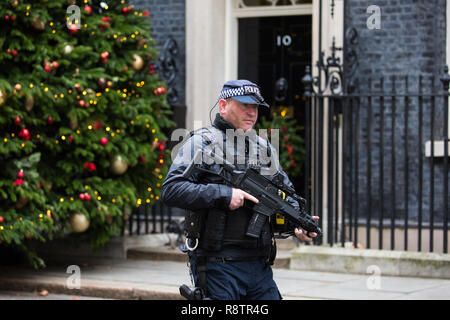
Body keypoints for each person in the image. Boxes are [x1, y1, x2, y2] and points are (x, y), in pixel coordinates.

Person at [161, 79, 319, 300]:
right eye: (245, 105)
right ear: (224, 106)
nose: (252, 112)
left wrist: (297, 223)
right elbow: (171, 189)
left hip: (259, 267)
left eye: (255, 107)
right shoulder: (201, 142)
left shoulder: (263, 147)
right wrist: (225, 195)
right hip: (219, 265)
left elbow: (283, 192)